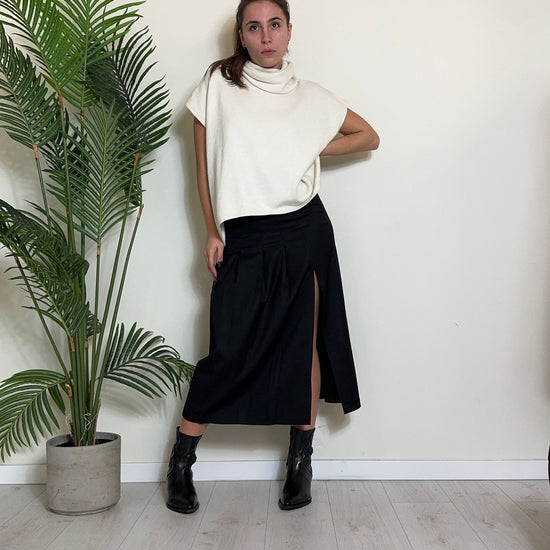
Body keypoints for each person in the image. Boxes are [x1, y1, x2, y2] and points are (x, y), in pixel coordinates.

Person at [166, 0, 379, 514]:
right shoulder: (218, 85)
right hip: (244, 235)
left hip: (304, 230)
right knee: (228, 348)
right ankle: (180, 462)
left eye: (275, 25)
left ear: (288, 30)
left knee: (303, 343)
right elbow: (202, 165)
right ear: (241, 34)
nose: (266, 36)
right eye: (255, 27)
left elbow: (368, 136)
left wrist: (305, 146)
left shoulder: (309, 96)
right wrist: (211, 230)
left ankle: (300, 462)